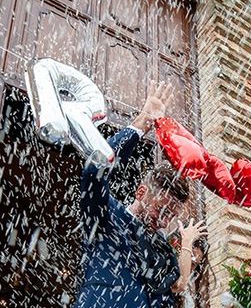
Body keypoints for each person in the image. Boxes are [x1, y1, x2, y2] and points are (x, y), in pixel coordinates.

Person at [73, 83, 207, 308]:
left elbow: (177, 286)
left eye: (171, 215)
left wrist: (186, 246)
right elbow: (95, 169)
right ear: (141, 192)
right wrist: (141, 123)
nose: (164, 221)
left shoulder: (163, 252)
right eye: (161, 209)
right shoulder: (106, 216)